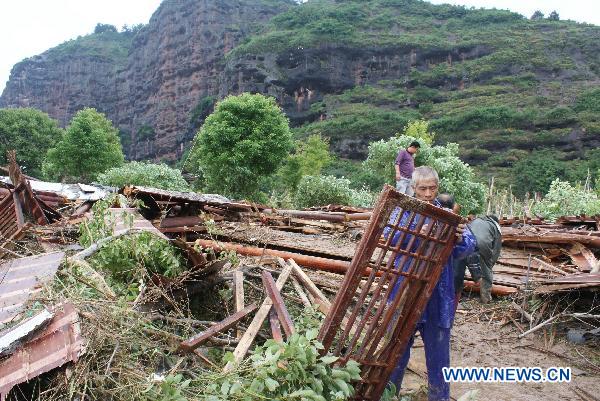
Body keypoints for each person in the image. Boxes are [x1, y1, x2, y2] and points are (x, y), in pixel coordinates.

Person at [386, 167, 476, 401]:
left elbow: (466, 248)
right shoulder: (403, 212)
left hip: (438, 294)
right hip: (405, 292)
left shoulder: (447, 214)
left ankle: (439, 397)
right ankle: (388, 395)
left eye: (432, 188)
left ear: (438, 187)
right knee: (395, 353)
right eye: (423, 188)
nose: (428, 193)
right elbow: (391, 238)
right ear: (414, 189)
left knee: (439, 358)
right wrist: (417, 232)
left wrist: (459, 237)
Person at [454, 215, 502, 304]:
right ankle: (486, 299)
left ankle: (456, 295)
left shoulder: (476, 220)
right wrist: (489, 265)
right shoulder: (495, 226)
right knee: (486, 271)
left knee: (460, 266)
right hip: (482, 243)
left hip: (466, 241)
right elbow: (496, 249)